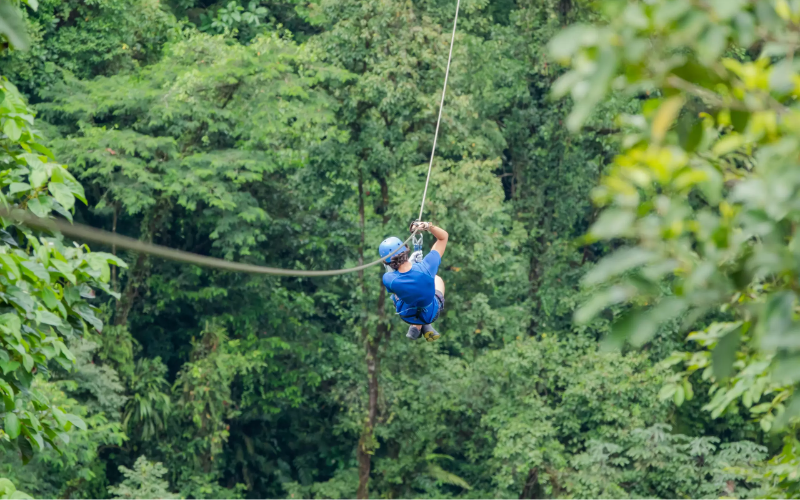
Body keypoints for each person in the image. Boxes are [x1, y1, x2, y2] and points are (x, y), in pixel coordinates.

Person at [378, 221, 448, 341]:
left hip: (407, 315)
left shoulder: (388, 279)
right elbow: (443, 237)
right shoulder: (427, 266)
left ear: (387, 262)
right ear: (405, 249)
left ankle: (417, 325)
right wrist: (428, 226)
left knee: (398, 293)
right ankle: (423, 324)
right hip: (431, 313)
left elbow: (397, 275)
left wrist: (409, 264)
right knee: (437, 279)